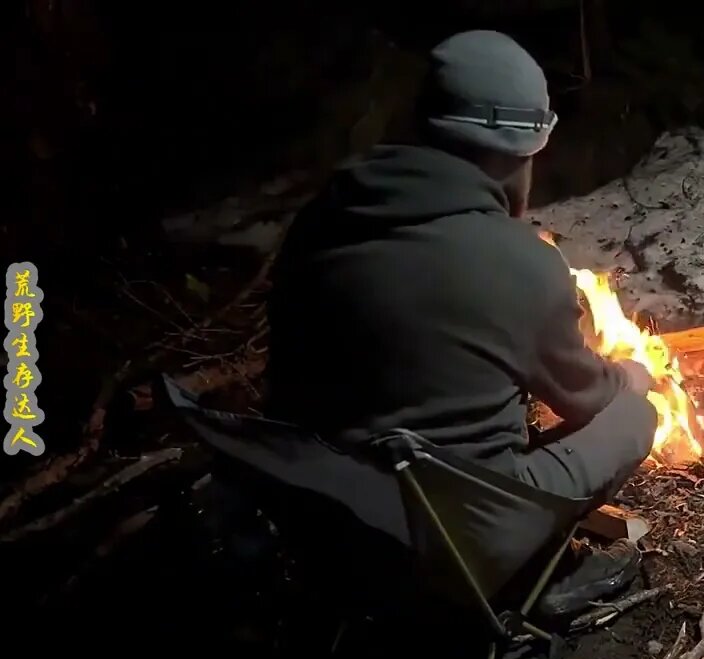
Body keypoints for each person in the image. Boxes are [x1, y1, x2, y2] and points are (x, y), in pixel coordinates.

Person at [265, 30, 660, 621]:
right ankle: (534, 577)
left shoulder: (319, 222)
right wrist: (631, 376)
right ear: (518, 153)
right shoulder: (515, 258)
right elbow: (588, 400)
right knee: (635, 415)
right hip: (455, 540)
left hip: (326, 521)